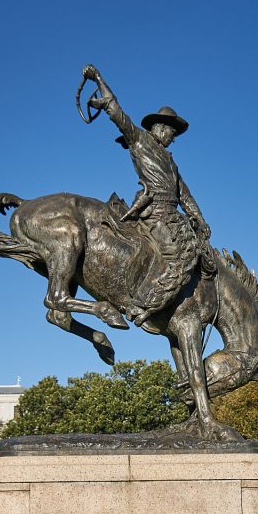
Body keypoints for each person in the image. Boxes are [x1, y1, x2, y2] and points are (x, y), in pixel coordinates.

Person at [81, 64, 216, 327]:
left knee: (195, 253)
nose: (173, 138)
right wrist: (98, 78)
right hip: (155, 213)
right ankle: (143, 305)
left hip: (173, 215)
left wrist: (198, 217)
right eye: (171, 133)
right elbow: (115, 109)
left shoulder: (169, 160)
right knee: (182, 256)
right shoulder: (139, 140)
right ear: (160, 127)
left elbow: (183, 193)